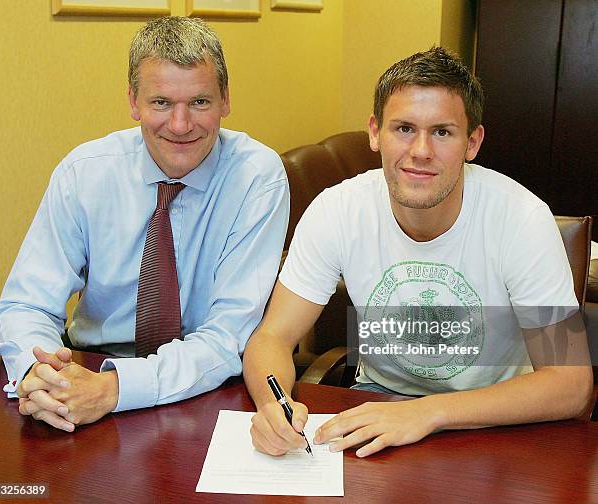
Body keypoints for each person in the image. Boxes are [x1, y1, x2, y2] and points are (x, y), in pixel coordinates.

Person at [243, 47, 592, 458]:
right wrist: (272, 407)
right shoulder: (337, 209)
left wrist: (428, 413)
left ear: (472, 142)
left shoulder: (521, 219)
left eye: (442, 132)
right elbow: (272, 337)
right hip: (379, 406)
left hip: (493, 417)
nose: (421, 151)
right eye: (404, 128)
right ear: (375, 132)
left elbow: (572, 384)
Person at [0, 17, 289, 432]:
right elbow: (27, 304)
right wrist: (39, 374)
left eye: (200, 102)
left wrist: (115, 390)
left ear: (225, 99)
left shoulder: (257, 176)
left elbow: (228, 335)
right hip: (84, 371)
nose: (181, 124)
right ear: (133, 102)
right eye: (161, 103)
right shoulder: (85, 172)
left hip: (200, 386)